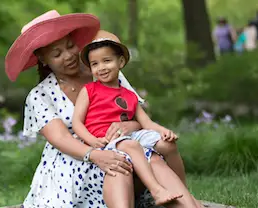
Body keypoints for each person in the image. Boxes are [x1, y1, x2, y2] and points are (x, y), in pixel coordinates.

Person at [5, 10, 199, 207]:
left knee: (152, 158)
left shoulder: (102, 69)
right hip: (75, 160)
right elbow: (61, 139)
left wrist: (128, 126)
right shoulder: (40, 96)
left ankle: (188, 204)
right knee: (118, 166)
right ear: (43, 59)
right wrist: (95, 154)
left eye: (70, 46)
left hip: (122, 144)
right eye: (57, 54)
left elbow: (134, 113)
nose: (69, 56)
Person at [72, 30, 205, 206]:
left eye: (107, 61)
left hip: (131, 136)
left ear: (120, 62)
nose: (101, 67)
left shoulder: (130, 95)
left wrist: (163, 131)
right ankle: (156, 190)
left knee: (168, 144)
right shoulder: (89, 91)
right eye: (95, 64)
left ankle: (183, 190)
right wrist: (91, 140)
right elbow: (76, 122)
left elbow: (146, 123)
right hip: (106, 139)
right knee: (132, 145)